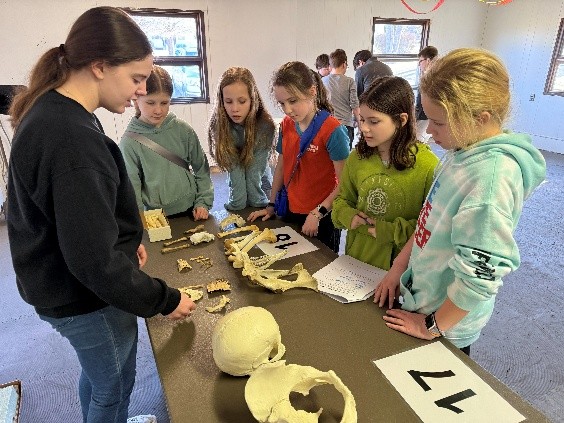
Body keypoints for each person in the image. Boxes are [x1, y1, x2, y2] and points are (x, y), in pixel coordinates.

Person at [7, 7, 196, 423]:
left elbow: (80, 215)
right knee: (114, 384)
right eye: (136, 78)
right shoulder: (70, 138)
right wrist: (164, 299)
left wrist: (123, 243)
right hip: (81, 295)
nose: (140, 90)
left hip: (59, 283)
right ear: (99, 66)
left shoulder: (58, 111)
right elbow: (93, 261)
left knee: (98, 375)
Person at [374, 48, 546, 355]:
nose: (429, 131)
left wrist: (431, 325)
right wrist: (399, 267)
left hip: (444, 325)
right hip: (424, 296)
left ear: (480, 119)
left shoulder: (490, 181)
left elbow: (481, 275)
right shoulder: (462, 151)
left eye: (438, 123)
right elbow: (428, 221)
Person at [332, 76, 439, 271]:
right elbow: (341, 201)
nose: (364, 128)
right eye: (362, 119)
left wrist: (390, 231)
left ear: (401, 120)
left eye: (374, 121)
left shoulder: (427, 165)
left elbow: (432, 226)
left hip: (399, 270)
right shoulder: (357, 158)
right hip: (357, 259)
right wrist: (349, 216)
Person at [248, 61, 350, 253]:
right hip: (290, 209)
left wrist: (319, 212)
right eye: (282, 103)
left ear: (312, 92)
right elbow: (281, 166)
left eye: (293, 101)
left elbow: (345, 183)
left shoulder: (333, 130)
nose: (287, 110)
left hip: (321, 216)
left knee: (321, 265)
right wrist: (271, 204)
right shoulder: (286, 124)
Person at [120, 65, 213, 220]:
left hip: (192, 211)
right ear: (136, 100)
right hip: (156, 218)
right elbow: (132, 188)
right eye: (151, 103)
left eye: (164, 103)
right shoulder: (129, 143)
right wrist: (139, 220)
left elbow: (202, 169)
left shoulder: (183, 130)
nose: (158, 110)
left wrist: (203, 201)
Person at [208, 67, 276, 211]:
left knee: (258, 199)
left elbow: (255, 171)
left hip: (260, 180)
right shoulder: (219, 126)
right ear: (221, 102)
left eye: (242, 101)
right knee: (239, 201)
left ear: (252, 99)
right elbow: (234, 169)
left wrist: (260, 201)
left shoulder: (265, 126)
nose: (235, 109)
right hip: (241, 172)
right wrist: (237, 202)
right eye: (228, 102)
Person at [322, 49, 360, 150]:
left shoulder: (322, 81)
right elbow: (355, 105)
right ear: (344, 64)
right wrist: (360, 124)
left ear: (330, 66)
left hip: (327, 125)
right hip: (345, 126)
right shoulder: (350, 82)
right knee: (345, 157)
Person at [415, 46, 439, 143]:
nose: (419, 64)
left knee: (417, 141)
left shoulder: (432, 77)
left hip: (426, 116)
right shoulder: (434, 74)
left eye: (420, 61)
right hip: (427, 115)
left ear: (428, 60)